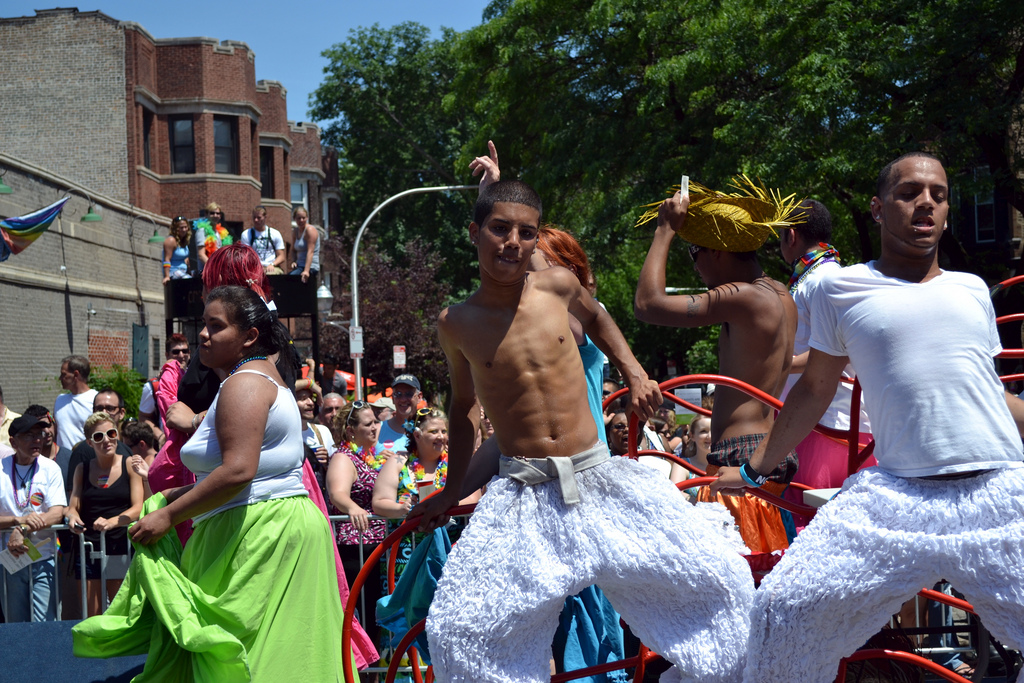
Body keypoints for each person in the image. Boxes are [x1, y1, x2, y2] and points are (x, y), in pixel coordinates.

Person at [414, 179, 755, 683]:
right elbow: (463, 408)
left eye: (525, 233)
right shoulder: (456, 322)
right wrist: (448, 492)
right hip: (523, 493)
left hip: (597, 479)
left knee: (718, 578)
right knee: (460, 632)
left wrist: (635, 370)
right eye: (500, 228)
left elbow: (598, 319)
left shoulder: (556, 286)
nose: (512, 242)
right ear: (474, 232)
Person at [711, 152, 1024, 682]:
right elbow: (814, 390)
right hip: (899, 497)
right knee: (782, 611)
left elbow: (990, 393)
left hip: (998, 489)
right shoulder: (840, 288)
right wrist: (752, 470)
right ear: (878, 209)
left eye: (939, 194)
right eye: (909, 192)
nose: (926, 202)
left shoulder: (972, 288)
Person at [73, 285, 358, 679]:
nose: (202, 336)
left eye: (215, 327)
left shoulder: (245, 383)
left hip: (262, 533)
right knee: (270, 660)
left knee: (253, 663)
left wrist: (167, 516)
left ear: (250, 337)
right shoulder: (256, 378)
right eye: (203, 325)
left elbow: (238, 472)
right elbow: (249, 471)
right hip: (265, 525)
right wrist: (179, 493)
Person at [635, 187, 798, 553]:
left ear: (718, 251)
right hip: (765, 454)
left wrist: (664, 230)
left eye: (695, 252)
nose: (695, 265)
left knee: (733, 591)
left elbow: (647, 304)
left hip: (742, 460)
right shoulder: (781, 295)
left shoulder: (745, 296)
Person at [778, 199, 875, 523]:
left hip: (828, 424)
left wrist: (777, 365)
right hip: (823, 421)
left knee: (815, 524)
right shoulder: (818, 277)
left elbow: (843, 347)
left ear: (791, 235)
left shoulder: (822, 280)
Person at [327, 400, 394, 652]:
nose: (376, 427)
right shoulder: (344, 457)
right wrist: (353, 507)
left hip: (377, 546)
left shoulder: (371, 457)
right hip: (356, 547)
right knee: (363, 617)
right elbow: (337, 493)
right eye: (369, 424)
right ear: (350, 430)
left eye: (376, 422)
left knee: (376, 617)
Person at [66, 411, 144, 616]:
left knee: (120, 613)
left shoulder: (129, 465)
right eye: (99, 437)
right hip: (89, 548)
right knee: (93, 615)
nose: (107, 440)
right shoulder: (82, 469)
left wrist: (112, 522)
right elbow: (73, 505)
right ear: (90, 443)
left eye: (111, 433)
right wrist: (72, 516)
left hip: (120, 547)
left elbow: (138, 507)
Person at [1, 414, 67, 622]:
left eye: (39, 434)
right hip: (10, 560)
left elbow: (58, 512)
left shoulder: (50, 468)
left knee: (45, 624)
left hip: (43, 557)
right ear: (13, 441)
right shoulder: (1, 469)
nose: (37, 440)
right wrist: (16, 521)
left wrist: (22, 530)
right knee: (15, 625)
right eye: (29, 436)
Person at [65, 389, 133, 495]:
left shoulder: (127, 453)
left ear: (121, 413)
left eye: (110, 408)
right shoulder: (82, 452)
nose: (104, 412)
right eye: (99, 408)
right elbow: (73, 497)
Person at [138, 333, 190, 438]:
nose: (181, 355)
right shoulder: (154, 386)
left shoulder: (198, 380)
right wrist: (160, 436)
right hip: (168, 441)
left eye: (185, 351)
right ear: (167, 354)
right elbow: (143, 417)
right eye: (176, 352)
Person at [53, 355, 98, 450]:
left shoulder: (96, 399)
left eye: (63, 374)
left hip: (86, 459)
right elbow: (55, 431)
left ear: (76, 375)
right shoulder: (60, 400)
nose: (60, 378)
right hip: (62, 460)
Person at [377, 374, 421, 454]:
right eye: (398, 394)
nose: (403, 399)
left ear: (419, 397)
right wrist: (376, 458)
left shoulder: (427, 429)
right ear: (393, 399)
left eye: (409, 394)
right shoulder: (377, 430)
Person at [296, 379, 335, 467]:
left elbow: (336, 470)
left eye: (311, 398)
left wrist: (327, 462)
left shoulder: (322, 431)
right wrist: (310, 383)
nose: (310, 403)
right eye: (302, 399)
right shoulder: (283, 435)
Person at [240, 205, 285, 275]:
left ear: (265, 217)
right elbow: (245, 255)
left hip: (272, 267)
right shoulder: (246, 234)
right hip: (254, 267)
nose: (256, 220)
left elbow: (281, 256)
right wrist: (258, 266)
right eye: (254, 217)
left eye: (259, 218)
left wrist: (272, 265)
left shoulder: (275, 233)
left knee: (270, 274)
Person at [123, 421, 159, 498]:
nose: (124, 450)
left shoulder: (149, 463)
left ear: (142, 444)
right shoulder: (161, 459)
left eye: (128, 447)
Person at [194, 202, 231, 273]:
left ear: (220, 216)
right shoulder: (202, 231)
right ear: (206, 215)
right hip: (207, 272)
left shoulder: (221, 232)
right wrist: (214, 269)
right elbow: (201, 255)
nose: (215, 215)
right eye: (212, 213)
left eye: (218, 213)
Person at [289, 206, 321, 283]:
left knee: (291, 280)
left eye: (303, 218)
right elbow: (293, 250)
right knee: (287, 279)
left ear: (307, 218)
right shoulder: (295, 231)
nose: (301, 220)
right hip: (300, 266)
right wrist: (294, 261)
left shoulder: (310, 230)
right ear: (294, 219)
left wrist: (306, 271)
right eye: (298, 218)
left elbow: (310, 251)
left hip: (311, 267)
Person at [162, 216, 192, 284]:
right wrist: (167, 276)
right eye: (181, 228)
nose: (184, 230)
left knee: (200, 276)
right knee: (189, 280)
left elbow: (186, 259)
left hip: (184, 271)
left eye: (185, 227)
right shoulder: (171, 240)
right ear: (175, 229)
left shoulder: (184, 241)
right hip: (174, 272)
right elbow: (167, 259)